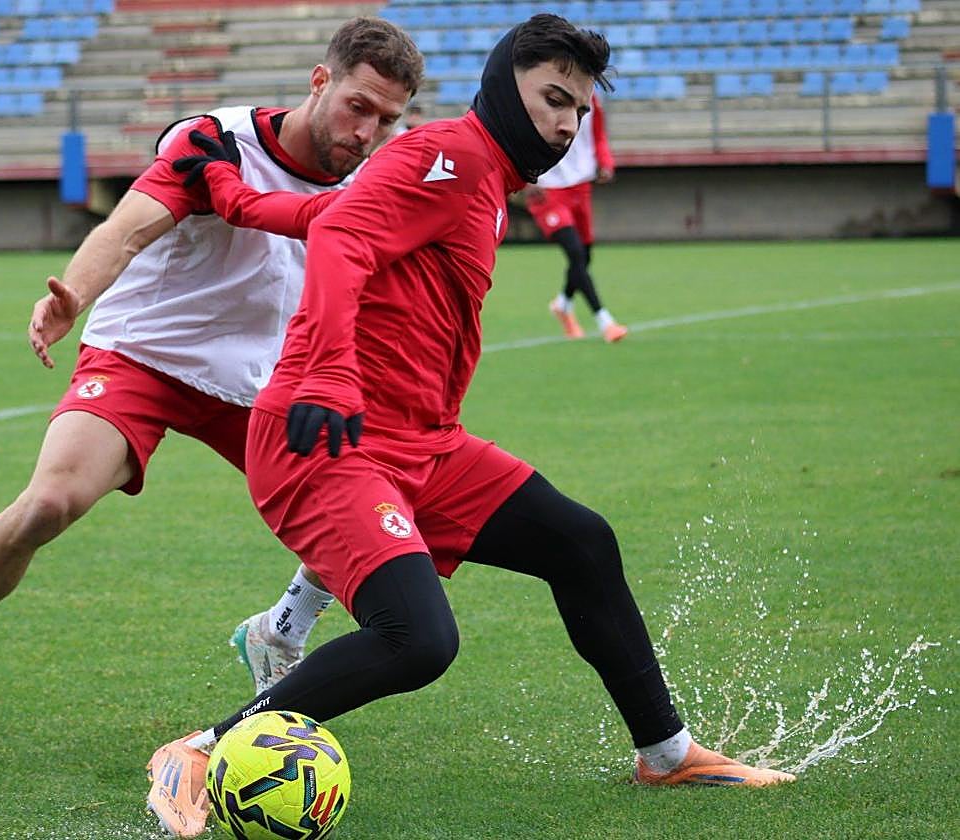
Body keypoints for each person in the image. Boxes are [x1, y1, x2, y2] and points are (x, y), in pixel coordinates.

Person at [144, 14, 794, 837]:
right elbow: (343, 232)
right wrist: (332, 373)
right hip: (331, 435)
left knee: (580, 544)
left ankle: (667, 755)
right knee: (416, 640)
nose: (566, 123)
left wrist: (235, 199)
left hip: (422, 443)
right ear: (501, 87)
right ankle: (199, 750)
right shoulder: (447, 155)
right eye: (552, 98)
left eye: (579, 110)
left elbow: (334, 212)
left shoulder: (478, 174)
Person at [0, 17, 423, 747]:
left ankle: (282, 628)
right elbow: (126, 231)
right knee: (49, 502)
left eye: (386, 120)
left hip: (267, 380)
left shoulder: (381, 173)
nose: (366, 132)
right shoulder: (218, 142)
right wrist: (74, 297)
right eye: (357, 106)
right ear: (319, 81)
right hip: (146, 355)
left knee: (375, 500)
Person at [524, 90, 628, 342]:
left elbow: (598, 135)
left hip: (580, 185)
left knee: (585, 255)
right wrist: (525, 175)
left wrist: (605, 162)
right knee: (576, 253)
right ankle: (605, 321)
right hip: (548, 190)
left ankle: (563, 304)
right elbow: (520, 136)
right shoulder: (541, 93)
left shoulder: (592, 99)